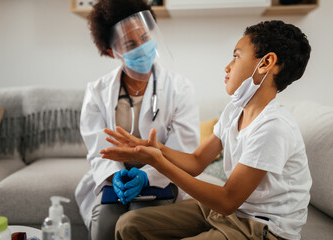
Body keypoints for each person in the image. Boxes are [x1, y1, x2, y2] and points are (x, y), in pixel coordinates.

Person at [101, 20, 312, 240]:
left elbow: (227, 200)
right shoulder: (234, 111)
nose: (227, 66)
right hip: (231, 213)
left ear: (266, 62)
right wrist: (157, 148)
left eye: (237, 56)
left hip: (261, 227)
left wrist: (158, 162)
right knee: (129, 225)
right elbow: (196, 161)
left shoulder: (273, 127)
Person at [74, 0, 200, 239]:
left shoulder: (180, 88)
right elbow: (97, 148)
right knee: (105, 226)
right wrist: (115, 174)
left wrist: (148, 175)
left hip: (162, 174)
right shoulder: (97, 91)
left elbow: (183, 148)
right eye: (130, 44)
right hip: (115, 179)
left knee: (141, 223)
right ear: (113, 51)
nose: (142, 47)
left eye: (145, 38)